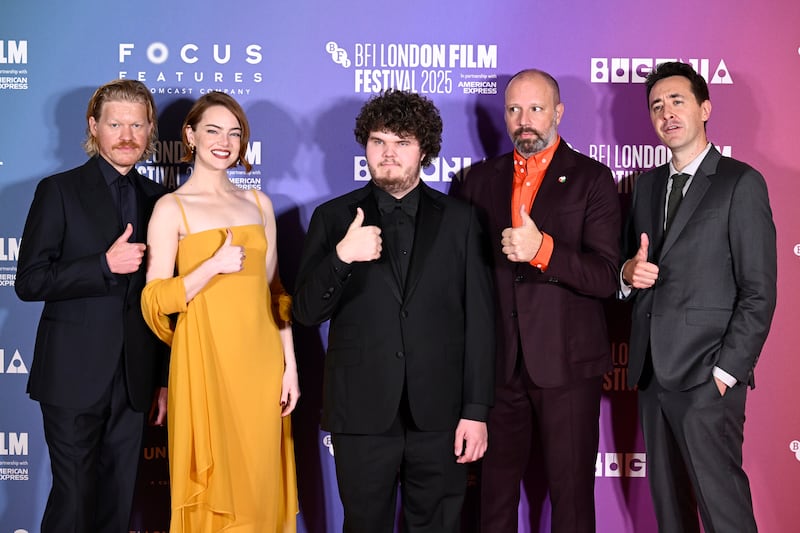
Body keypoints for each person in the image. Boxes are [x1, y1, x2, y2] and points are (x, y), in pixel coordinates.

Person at [293, 89, 495, 533]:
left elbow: (480, 323)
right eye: (378, 141)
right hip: (361, 414)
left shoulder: (461, 220)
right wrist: (342, 256)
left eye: (402, 142)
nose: (388, 153)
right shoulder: (333, 218)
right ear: (365, 146)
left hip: (441, 415)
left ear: (424, 150)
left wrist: (476, 410)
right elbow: (306, 312)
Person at [452, 69, 621, 532]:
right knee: (494, 501)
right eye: (513, 109)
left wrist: (542, 249)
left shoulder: (592, 178)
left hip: (567, 368)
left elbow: (606, 276)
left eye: (535, 108)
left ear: (558, 112)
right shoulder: (476, 181)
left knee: (571, 502)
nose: (523, 120)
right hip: (498, 368)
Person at [620, 61, 777, 533]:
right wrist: (627, 274)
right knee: (671, 514)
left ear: (705, 108)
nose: (666, 113)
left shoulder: (740, 182)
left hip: (707, 379)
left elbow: (759, 291)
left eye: (677, 101)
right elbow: (631, 266)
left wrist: (725, 374)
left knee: (724, 513)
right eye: (656, 106)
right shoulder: (646, 186)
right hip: (652, 377)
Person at [14, 79, 169, 532]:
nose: (127, 136)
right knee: (75, 501)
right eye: (115, 124)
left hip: (134, 381)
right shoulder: (58, 190)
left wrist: (161, 380)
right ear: (93, 126)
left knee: (118, 503)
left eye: (137, 125)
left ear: (150, 130)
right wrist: (102, 264)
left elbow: (161, 300)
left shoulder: (159, 201)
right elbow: (30, 281)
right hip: (71, 376)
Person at [141, 91, 299, 532]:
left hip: (261, 365)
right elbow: (154, 299)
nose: (224, 142)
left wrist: (290, 367)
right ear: (190, 135)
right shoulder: (171, 208)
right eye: (213, 131)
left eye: (234, 133)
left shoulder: (259, 204)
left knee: (260, 485)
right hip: (204, 366)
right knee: (212, 492)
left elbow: (276, 292)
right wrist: (211, 267)